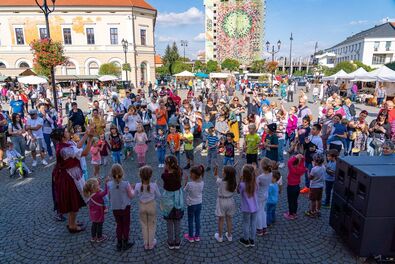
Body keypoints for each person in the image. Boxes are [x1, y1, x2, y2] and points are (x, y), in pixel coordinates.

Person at [50, 125, 94, 233]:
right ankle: (72, 226)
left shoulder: (66, 143)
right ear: (62, 137)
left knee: (73, 200)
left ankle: (71, 223)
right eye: (66, 132)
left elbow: (78, 146)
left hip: (71, 174)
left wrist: (86, 135)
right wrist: (91, 139)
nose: (68, 132)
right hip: (68, 177)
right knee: (73, 201)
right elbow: (84, 153)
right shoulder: (65, 149)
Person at [107, 164, 135, 251]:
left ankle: (119, 243)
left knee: (119, 224)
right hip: (125, 208)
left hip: (115, 208)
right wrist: (133, 190)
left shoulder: (109, 184)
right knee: (126, 225)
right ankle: (125, 242)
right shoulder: (126, 184)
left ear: (111, 174)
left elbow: (108, 196)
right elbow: (131, 196)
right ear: (122, 173)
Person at [134, 166, 161, 250]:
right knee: (152, 225)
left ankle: (146, 244)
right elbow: (159, 195)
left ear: (140, 176)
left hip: (142, 206)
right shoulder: (154, 185)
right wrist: (156, 185)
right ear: (150, 176)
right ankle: (151, 243)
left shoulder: (138, 185)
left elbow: (134, 194)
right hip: (151, 206)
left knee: (144, 226)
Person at [160, 155, 184, 250]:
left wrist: (166, 170)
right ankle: (177, 241)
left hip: (168, 201)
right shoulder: (179, 173)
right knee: (177, 222)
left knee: (169, 223)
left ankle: (170, 242)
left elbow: (164, 174)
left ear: (167, 165)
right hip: (177, 201)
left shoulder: (164, 176)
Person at [214, 165, 237, 243]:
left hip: (222, 202)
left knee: (221, 220)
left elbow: (216, 176)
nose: (222, 171)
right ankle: (229, 235)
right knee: (229, 219)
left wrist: (216, 168)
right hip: (230, 201)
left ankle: (220, 237)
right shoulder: (233, 182)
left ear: (226, 174)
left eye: (223, 171)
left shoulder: (220, 182)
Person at [237, 164, 258, 247]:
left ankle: (246, 240)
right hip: (255, 206)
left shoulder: (242, 184)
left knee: (246, 223)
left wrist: (240, 180)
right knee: (253, 223)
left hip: (246, 208)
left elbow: (238, 191)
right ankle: (252, 240)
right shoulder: (255, 183)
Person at [83, 177, 109, 243]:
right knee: (99, 225)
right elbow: (106, 192)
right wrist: (106, 184)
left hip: (93, 214)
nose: (99, 186)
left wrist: (98, 182)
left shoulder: (90, 194)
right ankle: (99, 237)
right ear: (94, 188)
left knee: (94, 224)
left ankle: (93, 237)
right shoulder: (98, 195)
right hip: (99, 213)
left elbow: (96, 188)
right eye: (98, 185)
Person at [183, 165, 205, 243]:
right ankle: (197, 236)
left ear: (193, 175)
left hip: (191, 204)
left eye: (190, 174)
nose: (189, 175)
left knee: (190, 220)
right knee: (197, 219)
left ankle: (191, 236)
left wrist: (185, 181)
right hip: (199, 203)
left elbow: (184, 190)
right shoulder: (202, 183)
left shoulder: (189, 184)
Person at [284, 154, 306, 220]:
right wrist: (302, 158)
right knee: (295, 201)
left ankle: (290, 214)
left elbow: (289, 162)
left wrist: (296, 156)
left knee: (290, 201)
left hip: (291, 186)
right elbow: (302, 163)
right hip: (297, 186)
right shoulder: (301, 168)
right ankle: (294, 213)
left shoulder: (292, 168)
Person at [305, 154, 325, 218]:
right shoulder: (323, 167)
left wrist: (308, 171)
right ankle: (318, 210)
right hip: (321, 186)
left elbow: (310, 177)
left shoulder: (314, 169)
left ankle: (312, 212)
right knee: (319, 199)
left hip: (314, 187)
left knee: (313, 200)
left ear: (315, 161)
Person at [256, 158, 273, 236]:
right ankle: (264, 227)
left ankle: (259, 229)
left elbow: (255, 187)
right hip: (265, 194)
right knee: (263, 211)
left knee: (259, 212)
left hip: (259, 196)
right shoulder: (271, 174)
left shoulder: (260, 177)